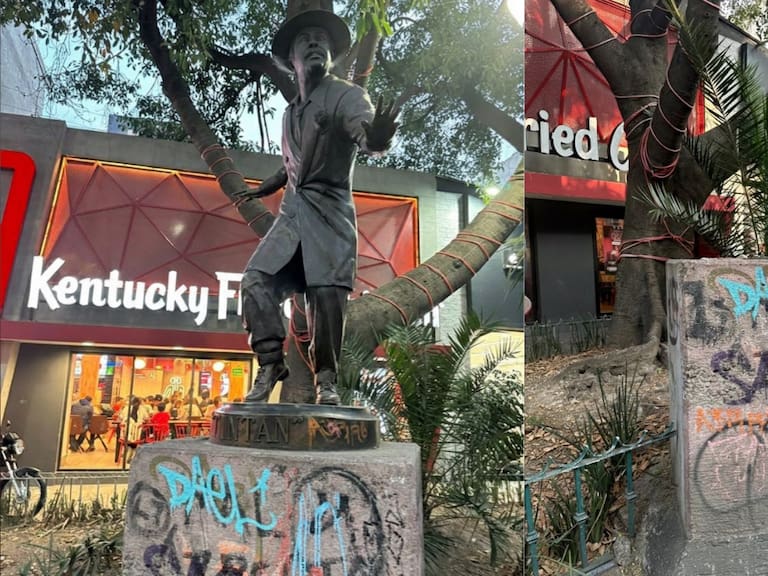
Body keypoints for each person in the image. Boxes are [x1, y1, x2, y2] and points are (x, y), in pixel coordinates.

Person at [236, 7, 399, 405]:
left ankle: (326, 378)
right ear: (290, 58)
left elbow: (363, 131)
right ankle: (270, 363)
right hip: (292, 217)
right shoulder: (290, 112)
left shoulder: (348, 96)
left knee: (325, 299)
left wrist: (377, 138)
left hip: (329, 216)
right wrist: (274, 182)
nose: (314, 44)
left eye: (321, 40)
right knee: (255, 282)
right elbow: (297, 158)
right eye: (305, 40)